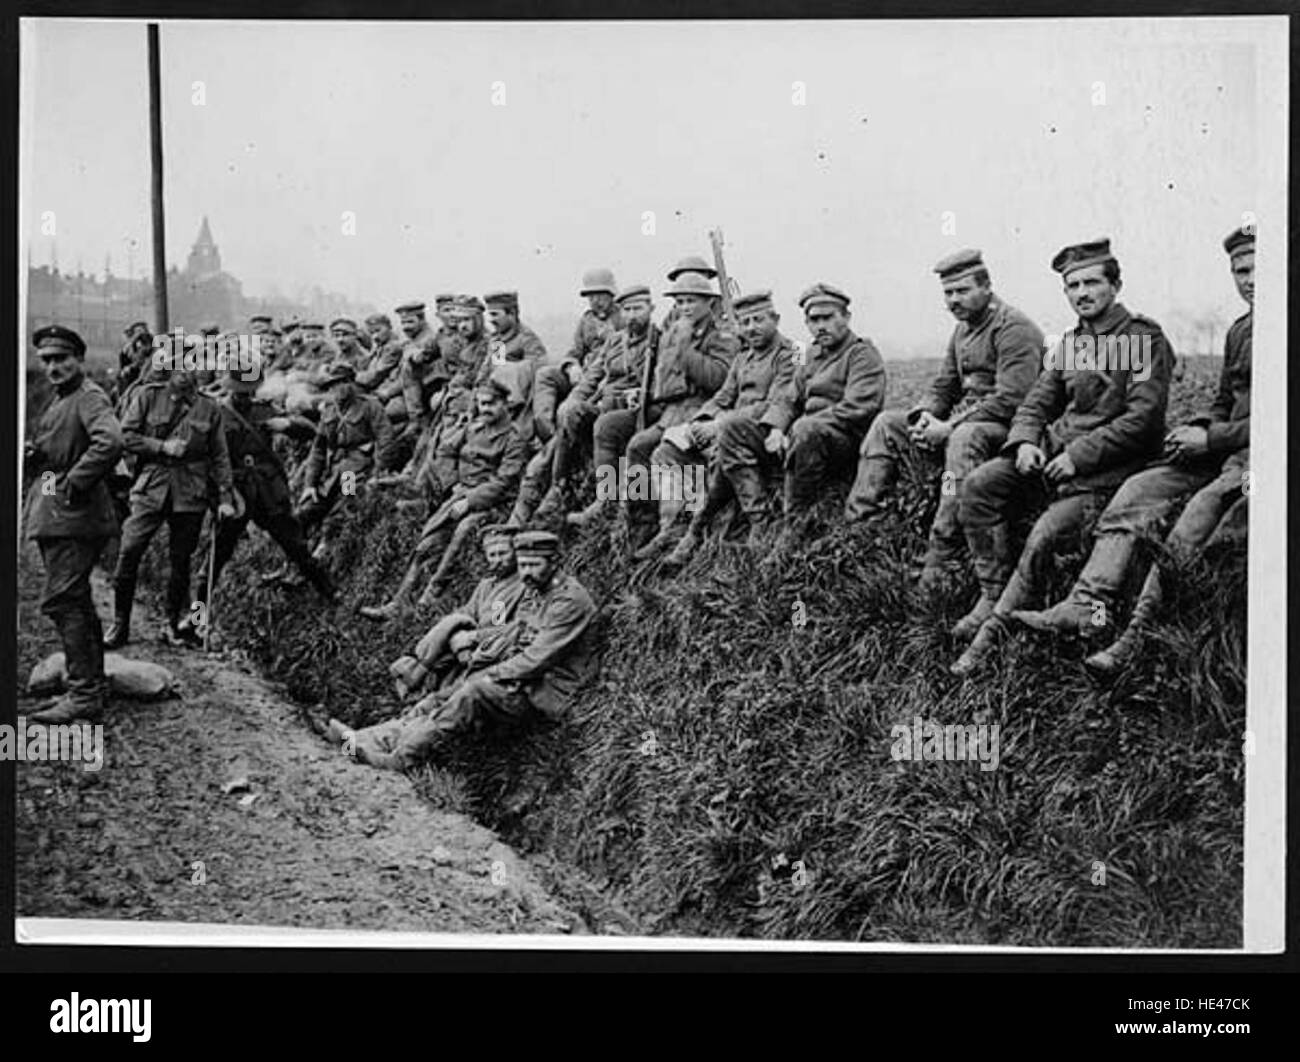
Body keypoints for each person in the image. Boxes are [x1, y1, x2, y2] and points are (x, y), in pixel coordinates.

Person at [1012, 225, 1254, 675]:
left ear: (1115, 286)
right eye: (1241, 270)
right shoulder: (1242, 331)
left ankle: (1136, 637)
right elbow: (1225, 400)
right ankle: (1087, 606)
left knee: (1198, 512)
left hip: (1254, 460)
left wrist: (1213, 438)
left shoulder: (1141, 337)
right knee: (1138, 492)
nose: (1251, 280)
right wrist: (1200, 429)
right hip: (1222, 451)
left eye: (1260, 268)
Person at [950, 237, 1175, 676]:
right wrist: (1026, 441)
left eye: (1092, 282)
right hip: (1053, 457)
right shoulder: (1072, 343)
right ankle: (991, 595)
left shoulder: (1143, 340)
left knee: (1044, 534)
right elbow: (1036, 402)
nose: (1082, 293)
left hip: (1105, 472)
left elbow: (1142, 421)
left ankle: (992, 637)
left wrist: (1077, 456)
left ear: (1116, 284)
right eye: (1072, 286)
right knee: (978, 485)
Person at [844, 250, 1044, 592]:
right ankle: (861, 526)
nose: (954, 300)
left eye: (962, 291)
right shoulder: (963, 330)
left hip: (1004, 428)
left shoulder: (1014, 328)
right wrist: (924, 415)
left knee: (963, 439)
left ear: (986, 287)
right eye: (948, 293)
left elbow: (1012, 398)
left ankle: (944, 550)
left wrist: (947, 428)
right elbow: (944, 384)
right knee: (886, 425)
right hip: (964, 422)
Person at [330, 530, 598, 772]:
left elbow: (537, 659)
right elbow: (512, 636)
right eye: (523, 564)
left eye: (534, 565)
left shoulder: (570, 601)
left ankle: (403, 758)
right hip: (520, 679)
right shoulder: (535, 590)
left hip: (546, 690)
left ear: (554, 563)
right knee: (441, 697)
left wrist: (489, 675)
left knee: (470, 693)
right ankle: (364, 740)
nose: (525, 572)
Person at [359, 377, 527, 619]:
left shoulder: (513, 439)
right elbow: (448, 453)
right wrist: (445, 487)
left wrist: (469, 500)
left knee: (462, 533)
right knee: (425, 546)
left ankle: (429, 598)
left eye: (490, 404)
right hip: (458, 494)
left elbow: (503, 482)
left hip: (493, 502)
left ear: (505, 405)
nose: (484, 409)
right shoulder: (474, 428)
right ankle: (398, 603)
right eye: (480, 404)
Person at [105, 341, 236, 648]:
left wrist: (227, 498)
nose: (187, 371)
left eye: (194, 366)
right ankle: (120, 624)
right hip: (151, 486)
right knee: (130, 551)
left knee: (181, 561)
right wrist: (161, 447)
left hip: (191, 492)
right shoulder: (148, 396)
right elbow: (124, 436)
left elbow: (219, 456)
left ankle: (172, 624)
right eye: (182, 365)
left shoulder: (210, 407)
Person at [652, 288, 799, 562]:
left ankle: (733, 523)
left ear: (776, 320)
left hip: (762, 433)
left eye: (758, 320)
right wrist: (701, 421)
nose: (751, 328)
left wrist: (719, 424)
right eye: (745, 323)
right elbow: (723, 395)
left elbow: (778, 401)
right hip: (730, 429)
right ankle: (671, 528)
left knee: (727, 437)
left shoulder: (789, 354)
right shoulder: (743, 357)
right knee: (666, 452)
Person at [24, 326, 124, 723]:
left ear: (79, 360)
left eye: (62, 359)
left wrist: (73, 483)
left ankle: (83, 695)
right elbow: (61, 450)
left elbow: (110, 441)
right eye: (47, 360)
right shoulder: (61, 400)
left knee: (64, 600)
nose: (54, 367)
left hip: (76, 517)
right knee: (76, 599)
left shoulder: (89, 396)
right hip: (60, 515)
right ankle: (92, 684)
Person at [188, 358, 337, 625]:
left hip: (268, 493)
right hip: (235, 494)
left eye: (248, 391)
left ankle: (333, 596)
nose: (244, 396)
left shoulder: (265, 410)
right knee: (214, 560)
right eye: (238, 391)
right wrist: (217, 501)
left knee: (297, 548)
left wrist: (288, 424)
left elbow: (313, 433)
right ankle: (197, 619)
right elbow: (205, 461)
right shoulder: (216, 414)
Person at [739, 283, 886, 538]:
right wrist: (776, 428)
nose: (820, 326)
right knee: (735, 429)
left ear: (846, 318)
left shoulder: (862, 354)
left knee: (806, 428)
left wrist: (799, 426)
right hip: (806, 435)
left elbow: (857, 407)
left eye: (828, 318)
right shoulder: (808, 355)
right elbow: (788, 398)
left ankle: (795, 523)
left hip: (846, 440)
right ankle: (757, 518)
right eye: (813, 320)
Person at [622, 271, 740, 550]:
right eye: (680, 302)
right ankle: (639, 521)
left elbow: (717, 379)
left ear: (709, 304)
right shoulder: (674, 333)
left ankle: (671, 528)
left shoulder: (720, 336)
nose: (684, 308)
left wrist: (686, 350)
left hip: (701, 410)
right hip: (672, 411)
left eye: (691, 301)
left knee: (657, 449)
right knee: (635, 447)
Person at [511, 268, 623, 524]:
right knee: (547, 376)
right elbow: (575, 350)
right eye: (590, 296)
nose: (595, 301)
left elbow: (533, 359)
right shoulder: (586, 321)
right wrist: (571, 365)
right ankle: (546, 432)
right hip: (587, 376)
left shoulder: (524, 338)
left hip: (605, 384)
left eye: (600, 295)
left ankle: (563, 486)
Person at [386, 523, 529, 700]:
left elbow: (517, 627)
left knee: (454, 689)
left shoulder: (523, 585)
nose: (498, 559)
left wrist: (472, 638)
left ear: (515, 553)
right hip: (467, 645)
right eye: (492, 555)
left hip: (493, 648)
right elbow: (468, 612)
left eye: (503, 553)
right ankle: (419, 677)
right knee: (454, 622)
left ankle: (418, 672)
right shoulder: (486, 585)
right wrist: (458, 635)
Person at [563, 285, 664, 528]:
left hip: (643, 406)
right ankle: (563, 489)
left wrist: (644, 394)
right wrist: (574, 399)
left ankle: (619, 502)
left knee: (609, 427)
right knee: (572, 414)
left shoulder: (659, 340)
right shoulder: (612, 340)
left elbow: (666, 381)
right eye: (627, 310)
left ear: (651, 309)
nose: (632, 315)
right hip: (610, 402)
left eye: (638, 309)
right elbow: (593, 375)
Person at [294, 360, 393, 563]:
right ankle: (294, 562)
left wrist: (378, 474)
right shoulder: (329, 412)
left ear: (351, 383)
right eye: (331, 386)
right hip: (332, 474)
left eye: (340, 383)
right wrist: (309, 484)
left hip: (355, 471)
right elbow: (318, 449)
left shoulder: (370, 406)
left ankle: (323, 554)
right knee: (303, 513)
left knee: (340, 510)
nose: (336, 389)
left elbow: (386, 440)